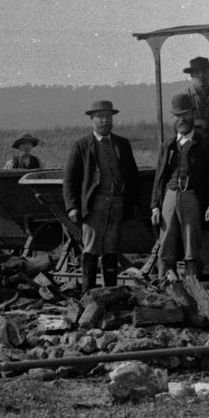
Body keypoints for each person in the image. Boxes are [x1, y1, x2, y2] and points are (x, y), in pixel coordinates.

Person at [62, 100, 142, 293]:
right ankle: (88, 295)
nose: (105, 121)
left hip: (117, 203)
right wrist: (72, 206)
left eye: (108, 117)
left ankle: (110, 293)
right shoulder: (82, 146)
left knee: (111, 249)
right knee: (90, 249)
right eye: (100, 117)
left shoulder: (121, 144)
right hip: (95, 204)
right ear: (92, 119)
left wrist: (133, 202)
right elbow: (70, 180)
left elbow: (132, 175)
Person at [151, 92, 209, 279]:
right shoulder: (168, 146)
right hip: (169, 197)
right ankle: (164, 289)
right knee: (165, 245)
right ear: (173, 118)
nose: (182, 119)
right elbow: (159, 178)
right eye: (177, 116)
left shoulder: (205, 145)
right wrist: (155, 206)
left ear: (192, 115)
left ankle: (192, 287)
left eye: (185, 115)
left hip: (192, 197)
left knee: (191, 246)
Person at [184, 56, 209, 141]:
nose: (201, 75)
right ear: (192, 75)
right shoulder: (185, 97)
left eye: (204, 71)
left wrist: (207, 124)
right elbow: (180, 124)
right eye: (197, 72)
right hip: (192, 141)